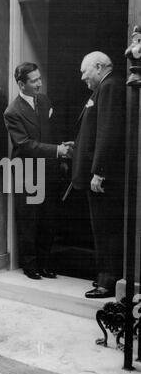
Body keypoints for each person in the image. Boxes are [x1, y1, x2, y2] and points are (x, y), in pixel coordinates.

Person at [4, 62, 73, 280]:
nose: (39, 84)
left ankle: (45, 263)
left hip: (49, 170)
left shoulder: (44, 101)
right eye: (34, 81)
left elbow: (51, 131)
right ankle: (30, 265)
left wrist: (61, 154)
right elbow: (24, 144)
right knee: (29, 220)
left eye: (39, 78)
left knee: (48, 219)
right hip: (27, 174)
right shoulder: (12, 111)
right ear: (21, 84)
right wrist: (57, 151)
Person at [72, 51, 125, 299]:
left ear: (99, 66)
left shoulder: (110, 86)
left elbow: (108, 131)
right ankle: (104, 277)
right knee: (101, 228)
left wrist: (99, 172)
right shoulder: (105, 86)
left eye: (85, 71)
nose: (83, 77)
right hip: (98, 175)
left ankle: (108, 282)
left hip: (103, 177)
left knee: (106, 229)